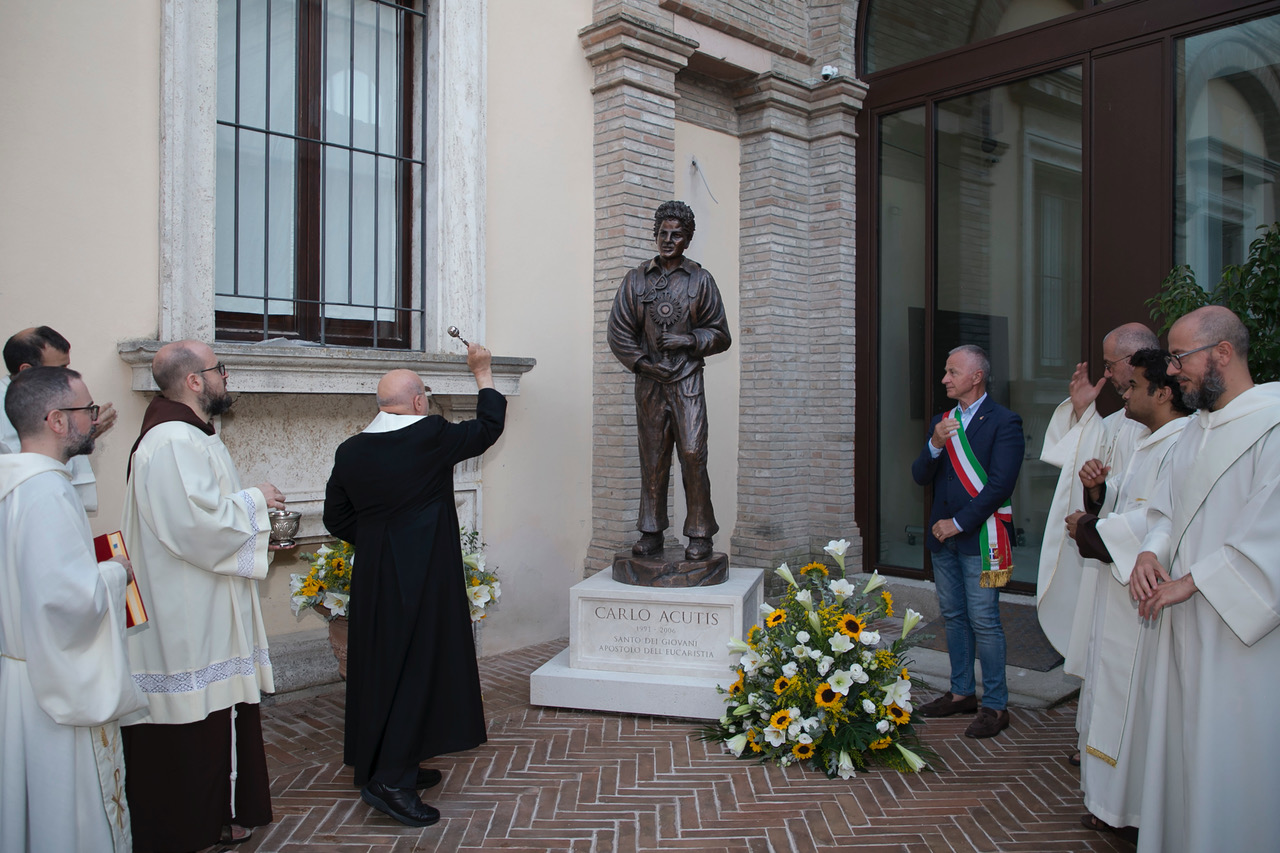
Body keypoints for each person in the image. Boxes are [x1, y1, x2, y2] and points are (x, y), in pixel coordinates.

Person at [323, 343, 505, 827]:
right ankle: (391, 781)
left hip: (375, 575)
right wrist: (483, 372)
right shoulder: (431, 435)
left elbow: (335, 516)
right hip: (423, 573)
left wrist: (381, 540)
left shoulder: (352, 449)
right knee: (418, 669)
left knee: (381, 667)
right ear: (420, 401)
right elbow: (488, 428)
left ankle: (380, 761)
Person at [120, 340, 285, 851]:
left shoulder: (191, 434)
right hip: (184, 609)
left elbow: (204, 512)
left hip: (204, 597)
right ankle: (187, 826)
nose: (226, 376)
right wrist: (257, 501)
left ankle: (220, 813)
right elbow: (194, 525)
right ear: (194, 381)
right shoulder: (172, 441)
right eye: (219, 369)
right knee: (193, 718)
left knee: (215, 715)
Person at [1127, 306, 1280, 853]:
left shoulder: (1274, 423)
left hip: (1239, 639)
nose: (1170, 371)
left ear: (1222, 353)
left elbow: (1272, 536)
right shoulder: (1193, 432)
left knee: (1230, 756)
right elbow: (1167, 513)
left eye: (1178, 356)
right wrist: (1148, 554)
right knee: (1185, 753)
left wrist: (1192, 582)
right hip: (1183, 624)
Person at [0, 366, 147, 852]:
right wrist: (116, 572)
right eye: (85, 410)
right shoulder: (46, 490)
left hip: (19, 676)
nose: (93, 419)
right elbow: (67, 601)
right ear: (57, 420)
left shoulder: (11, 483)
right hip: (54, 686)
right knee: (67, 811)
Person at [1060, 348, 1192, 841]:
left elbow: (1159, 523)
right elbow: (1128, 503)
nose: (1126, 392)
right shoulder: (1150, 440)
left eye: (1134, 385)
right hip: (1119, 600)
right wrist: (1098, 495)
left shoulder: (1182, 445)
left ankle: (1129, 809)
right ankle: (1109, 803)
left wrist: (1088, 527)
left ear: (1162, 392)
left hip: (1143, 603)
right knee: (1113, 698)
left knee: (1134, 708)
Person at [1035, 323, 1158, 758]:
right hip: (1108, 555)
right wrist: (1083, 414)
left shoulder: (1170, 418)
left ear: (1134, 361)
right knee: (1101, 655)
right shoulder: (1123, 419)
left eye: (1111, 365)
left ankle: (1121, 757)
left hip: (1138, 562)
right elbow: (1094, 470)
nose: (1108, 375)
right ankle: (1093, 742)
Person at [607, 200, 732, 562]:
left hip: (687, 381)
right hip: (649, 382)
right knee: (653, 457)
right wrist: (644, 364)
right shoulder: (636, 279)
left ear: (688, 239)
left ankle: (700, 533)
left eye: (676, 234)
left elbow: (720, 334)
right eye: (662, 233)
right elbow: (619, 331)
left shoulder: (700, 280)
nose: (667, 239)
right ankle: (650, 530)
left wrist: (689, 341)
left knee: (693, 454)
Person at [911, 344, 1023, 738]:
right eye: (946, 371)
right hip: (944, 542)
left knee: (985, 622)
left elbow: (999, 486)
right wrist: (935, 445)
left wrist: (957, 523)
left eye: (952, 371)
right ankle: (961, 693)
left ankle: (994, 704)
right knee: (954, 618)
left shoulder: (1004, 422)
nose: (945, 379)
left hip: (978, 538)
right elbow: (920, 475)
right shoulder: (943, 421)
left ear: (976, 377)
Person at [0, 326, 119, 512]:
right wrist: (83, 433)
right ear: (26, 371)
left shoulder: (43, 397)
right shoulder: (7, 406)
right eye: (60, 369)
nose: (67, 375)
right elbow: (34, 467)